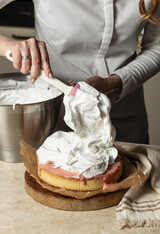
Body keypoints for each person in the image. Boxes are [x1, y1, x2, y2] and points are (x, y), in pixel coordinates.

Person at [0, 0, 160, 144]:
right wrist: (9, 45)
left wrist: (114, 81)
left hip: (125, 117)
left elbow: (156, 47)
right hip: (55, 120)